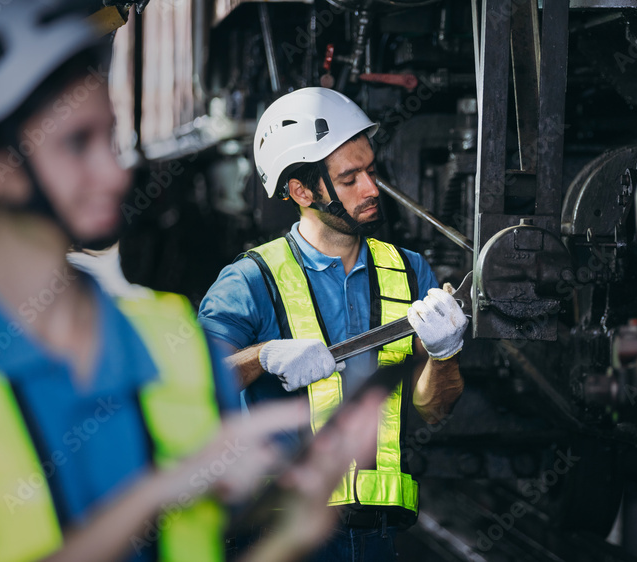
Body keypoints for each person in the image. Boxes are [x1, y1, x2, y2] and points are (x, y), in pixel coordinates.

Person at [0, 3, 382, 561]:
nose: (115, 171)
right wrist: (164, 489)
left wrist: (293, 532)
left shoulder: (173, 340)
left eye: (109, 138)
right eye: (76, 143)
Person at [197, 87, 469, 560]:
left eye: (371, 171)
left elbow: (433, 410)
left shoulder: (409, 271)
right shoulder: (251, 280)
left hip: (375, 536)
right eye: (349, 178)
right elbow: (192, 389)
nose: (371, 189)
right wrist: (262, 356)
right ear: (301, 191)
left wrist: (444, 356)